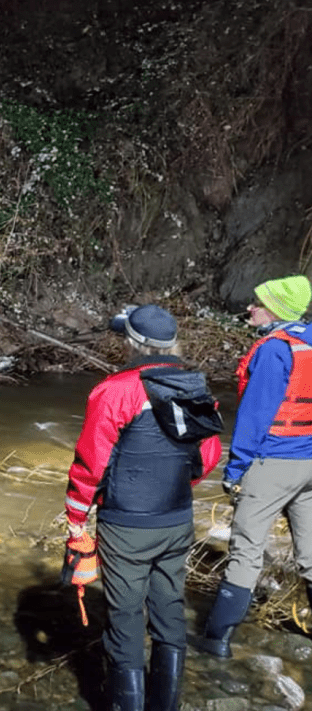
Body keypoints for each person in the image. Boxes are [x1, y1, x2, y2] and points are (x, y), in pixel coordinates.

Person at [64, 305, 222, 711]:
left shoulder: (113, 390)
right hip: (176, 520)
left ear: (132, 343)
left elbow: (90, 464)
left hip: (126, 526)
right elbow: (207, 456)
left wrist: (76, 519)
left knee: (125, 617)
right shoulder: (196, 388)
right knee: (169, 608)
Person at [193, 275, 312, 659]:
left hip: (273, 461)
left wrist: (234, 471)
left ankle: (216, 641)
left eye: (257, 303)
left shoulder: (275, 350)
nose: (250, 308)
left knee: (245, 552)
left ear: (276, 308)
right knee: (311, 555)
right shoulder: (308, 342)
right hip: (309, 463)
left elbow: (254, 416)